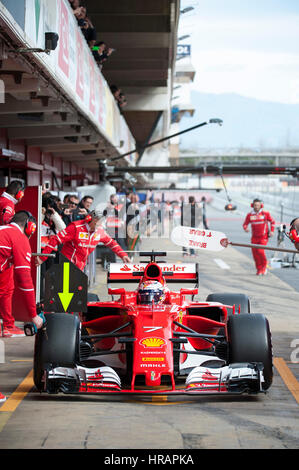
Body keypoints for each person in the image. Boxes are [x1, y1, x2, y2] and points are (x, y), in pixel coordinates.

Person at [36, 211, 131, 271]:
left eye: (102, 223)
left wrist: (123, 255)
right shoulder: (75, 228)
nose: (100, 225)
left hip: (80, 267)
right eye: (98, 223)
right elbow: (56, 239)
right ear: (89, 220)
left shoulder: (100, 231)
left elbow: (112, 243)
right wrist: (42, 257)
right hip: (66, 265)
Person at [0, 211, 44, 337]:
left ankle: (8, 325)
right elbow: (25, 280)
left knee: (8, 287)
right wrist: (33, 315)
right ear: (30, 226)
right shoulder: (19, 238)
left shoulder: (4, 231)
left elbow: (6, 288)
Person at [243, 198, 275, 275]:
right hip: (254, 238)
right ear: (252, 205)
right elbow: (245, 224)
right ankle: (259, 269)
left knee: (260, 251)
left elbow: (272, 222)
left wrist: (272, 231)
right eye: (255, 205)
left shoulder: (265, 214)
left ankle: (264, 267)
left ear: (261, 205)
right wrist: (245, 228)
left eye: (258, 205)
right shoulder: (250, 215)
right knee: (255, 254)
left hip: (263, 237)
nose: (256, 207)